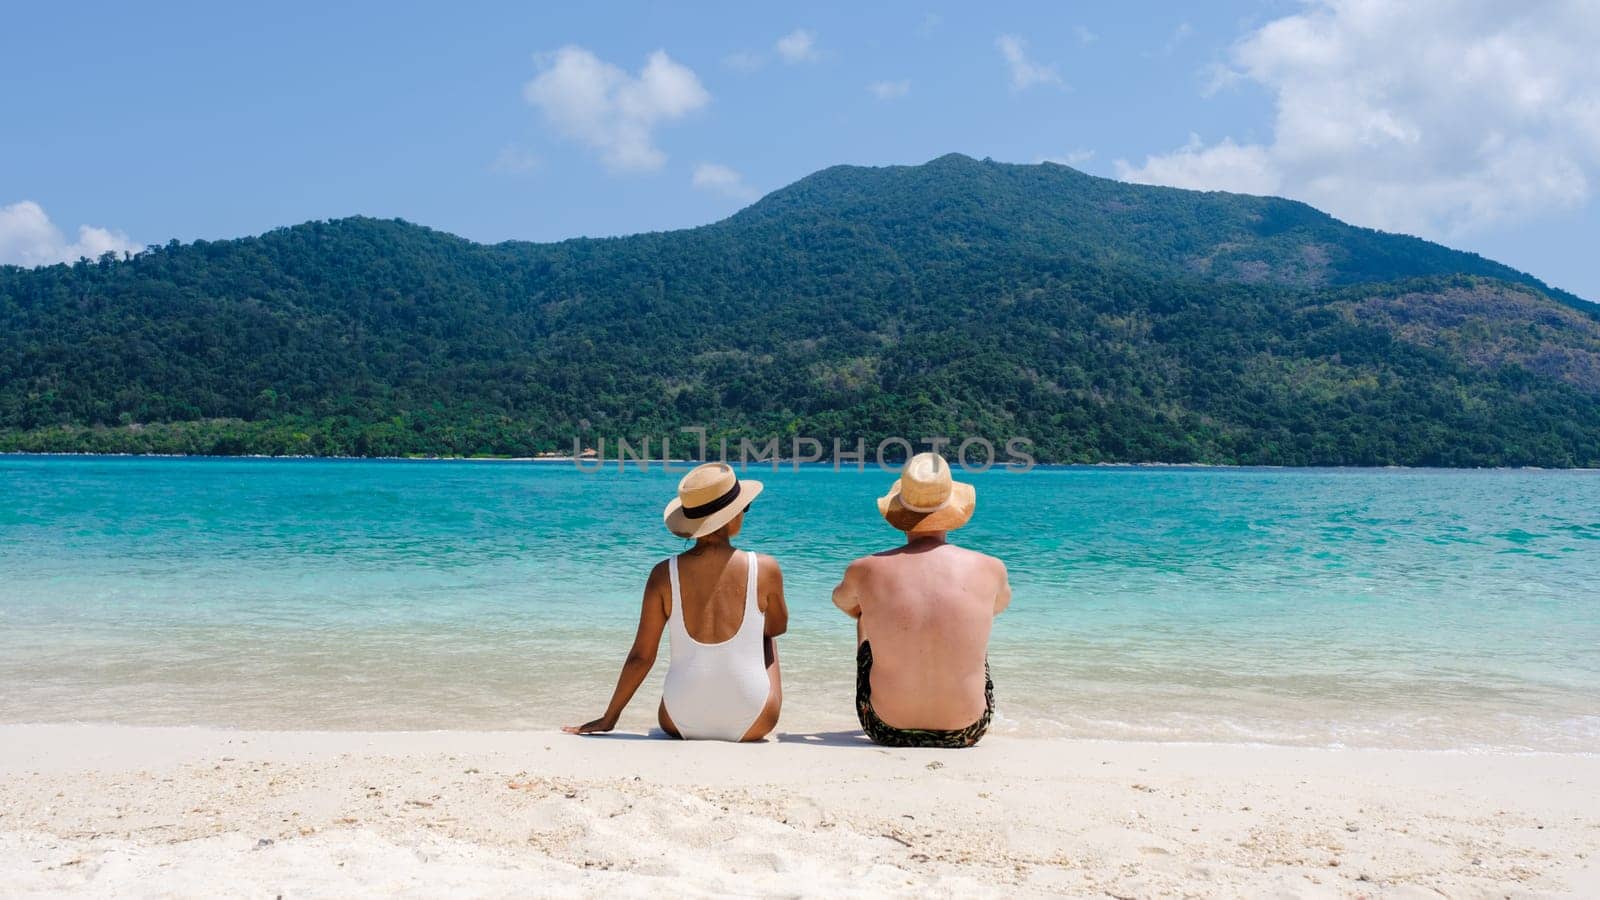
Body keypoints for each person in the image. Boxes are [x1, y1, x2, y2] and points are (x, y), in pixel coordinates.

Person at [565, 462, 787, 741]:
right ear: (731, 517)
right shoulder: (765, 568)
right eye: (744, 508)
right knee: (766, 636)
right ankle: (742, 699)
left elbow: (641, 656)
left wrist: (610, 717)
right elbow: (777, 627)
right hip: (754, 720)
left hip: (679, 719)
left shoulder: (663, 574)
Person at [831, 452, 1010, 748]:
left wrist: (879, 610)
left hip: (885, 727)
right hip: (968, 729)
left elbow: (842, 602)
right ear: (952, 509)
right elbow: (998, 607)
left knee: (865, 614)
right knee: (973, 625)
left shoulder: (864, 569)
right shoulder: (990, 567)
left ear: (900, 510)